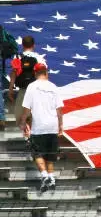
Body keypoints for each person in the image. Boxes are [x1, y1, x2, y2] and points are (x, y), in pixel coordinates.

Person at [18, 62, 63, 193]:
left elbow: (26, 108)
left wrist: (22, 121)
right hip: (52, 126)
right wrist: (60, 125)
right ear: (46, 72)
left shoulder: (31, 87)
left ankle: (44, 175)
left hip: (38, 126)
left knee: (36, 153)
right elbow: (60, 110)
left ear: (35, 73)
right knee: (49, 155)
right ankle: (51, 178)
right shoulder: (54, 87)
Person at [8, 36, 46, 131]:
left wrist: (10, 89)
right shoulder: (39, 58)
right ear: (33, 45)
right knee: (35, 116)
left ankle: (25, 136)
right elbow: (44, 75)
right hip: (36, 91)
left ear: (22, 45)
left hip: (23, 91)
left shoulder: (18, 57)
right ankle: (33, 136)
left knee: (20, 116)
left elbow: (13, 74)